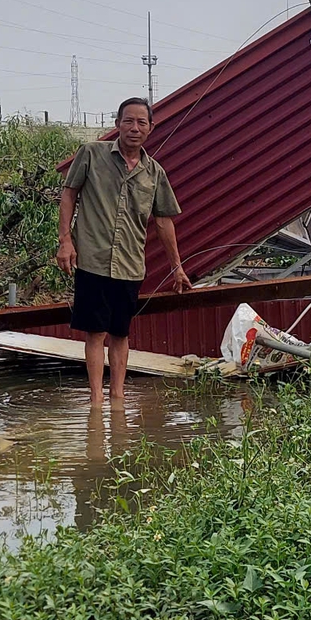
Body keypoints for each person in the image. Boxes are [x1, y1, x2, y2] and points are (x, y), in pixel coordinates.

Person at [57, 97, 192, 404]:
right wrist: (65, 240)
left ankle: (116, 398)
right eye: (128, 121)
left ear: (151, 128)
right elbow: (69, 195)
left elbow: (164, 222)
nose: (134, 128)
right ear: (117, 124)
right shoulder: (91, 154)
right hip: (93, 260)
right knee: (95, 333)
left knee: (120, 333)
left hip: (130, 264)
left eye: (141, 122)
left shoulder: (154, 172)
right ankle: (96, 401)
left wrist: (177, 267)